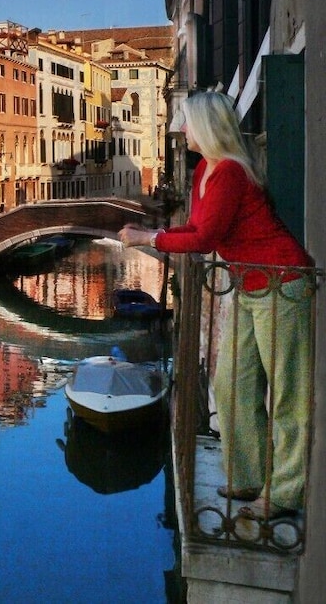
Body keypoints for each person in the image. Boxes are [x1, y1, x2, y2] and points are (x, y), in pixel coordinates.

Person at [118, 90, 313, 519]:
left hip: (282, 283)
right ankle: (246, 476)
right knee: (230, 382)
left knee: (287, 396)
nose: (182, 129)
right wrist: (157, 230)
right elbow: (197, 226)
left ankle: (283, 494)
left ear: (205, 127)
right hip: (248, 282)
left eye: (186, 122)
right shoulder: (207, 168)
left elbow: (204, 240)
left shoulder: (229, 173)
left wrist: (146, 239)